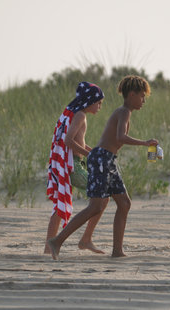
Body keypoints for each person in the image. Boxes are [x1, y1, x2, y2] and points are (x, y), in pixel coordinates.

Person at [48, 75, 158, 260]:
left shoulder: (124, 112)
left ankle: (117, 251)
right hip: (101, 160)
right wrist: (145, 143)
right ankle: (57, 241)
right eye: (142, 96)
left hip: (108, 160)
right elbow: (121, 136)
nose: (143, 101)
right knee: (96, 206)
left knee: (124, 203)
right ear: (131, 95)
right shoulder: (123, 112)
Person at [45, 82, 106, 255]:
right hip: (73, 167)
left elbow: (79, 143)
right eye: (99, 102)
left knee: (58, 208)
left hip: (66, 164)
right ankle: (86, 239)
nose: (100, 106)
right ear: (89, 101)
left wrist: (95, 152)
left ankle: (47, 250)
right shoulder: (80, 116)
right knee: (104, 194)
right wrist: (91, 156)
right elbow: (68, 142)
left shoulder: (74, 114)